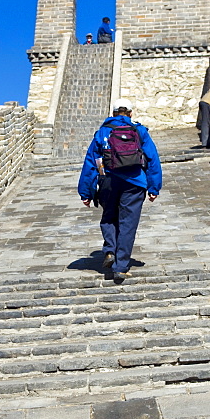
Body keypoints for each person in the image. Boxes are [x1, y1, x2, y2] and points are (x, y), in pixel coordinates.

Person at [78, 99, 162, 282]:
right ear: (130, 113)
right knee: (128, 223)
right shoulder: (139, 131)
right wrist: (154, 187)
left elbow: (90, 163)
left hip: (108, 180)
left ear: (113, 113)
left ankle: (110, 249)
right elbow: (153, 159)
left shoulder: (102, 132)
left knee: (109, 217)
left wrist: (86, 192)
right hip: (135, 182)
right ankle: (121, 266)